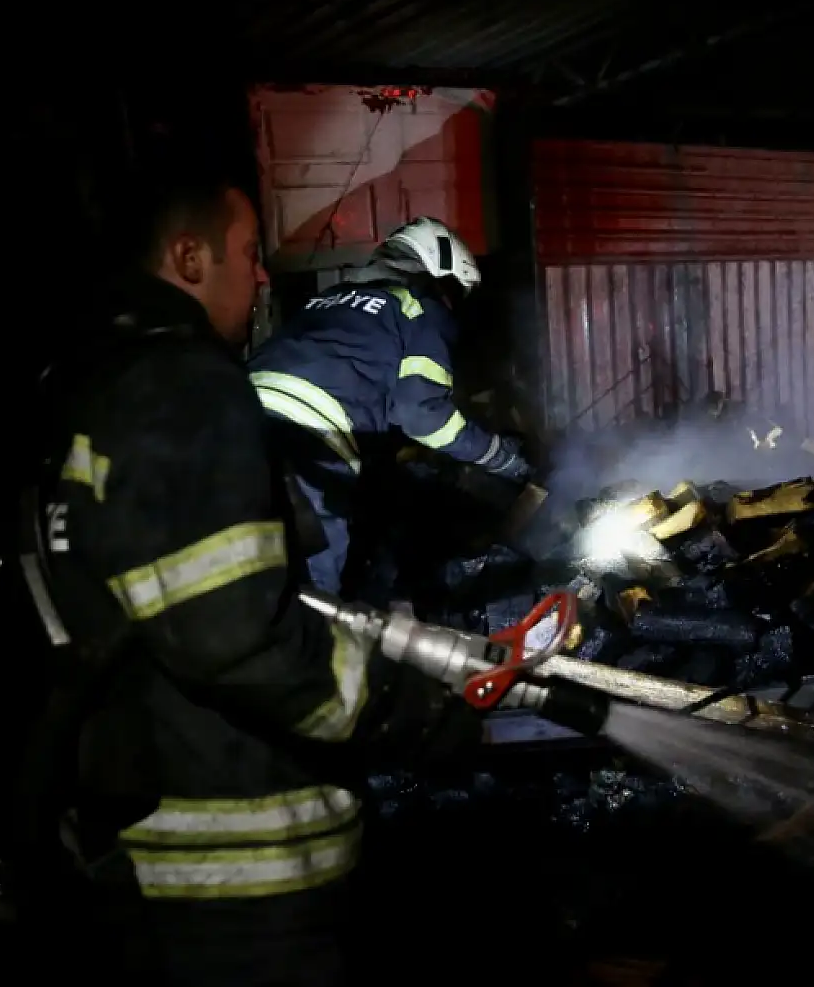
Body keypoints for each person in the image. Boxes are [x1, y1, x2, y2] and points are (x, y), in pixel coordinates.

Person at [27, 165, 482, 986]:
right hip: (242, 870)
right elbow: (236, 632)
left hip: (142, 834)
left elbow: (190, 593)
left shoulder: (84, 385)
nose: (264, 272)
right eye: (246, 252)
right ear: (189, 257)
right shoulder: (185, 387)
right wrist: (396, 701)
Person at [248, 217, 532, 595]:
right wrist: (502, 457)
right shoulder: (418, 306)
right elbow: (423, 415)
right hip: (309, 444)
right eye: (452, 292)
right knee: (314, 601)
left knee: (247, 577)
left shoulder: (329, 299)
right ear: (438, 271)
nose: (450, 304)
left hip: (238, 421)